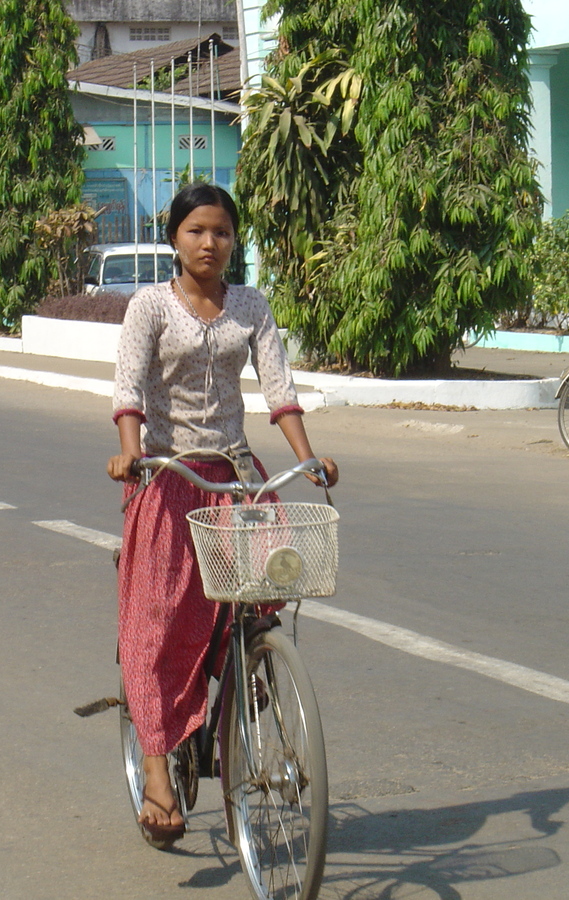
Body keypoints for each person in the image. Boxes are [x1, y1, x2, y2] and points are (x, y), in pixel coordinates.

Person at [106, 183, 338, 843]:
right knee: (156, 628)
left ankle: (247, 680)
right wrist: (131, 455)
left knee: (262, 601)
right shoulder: (149, 305)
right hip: (168, 476)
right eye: (197, 231)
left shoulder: (251, 305)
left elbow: (280, 390)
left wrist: (309, 456)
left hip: (236, 478)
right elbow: (128, 388)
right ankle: (158, 771)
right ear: (175, 239)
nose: (211, 243)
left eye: (223, 232)